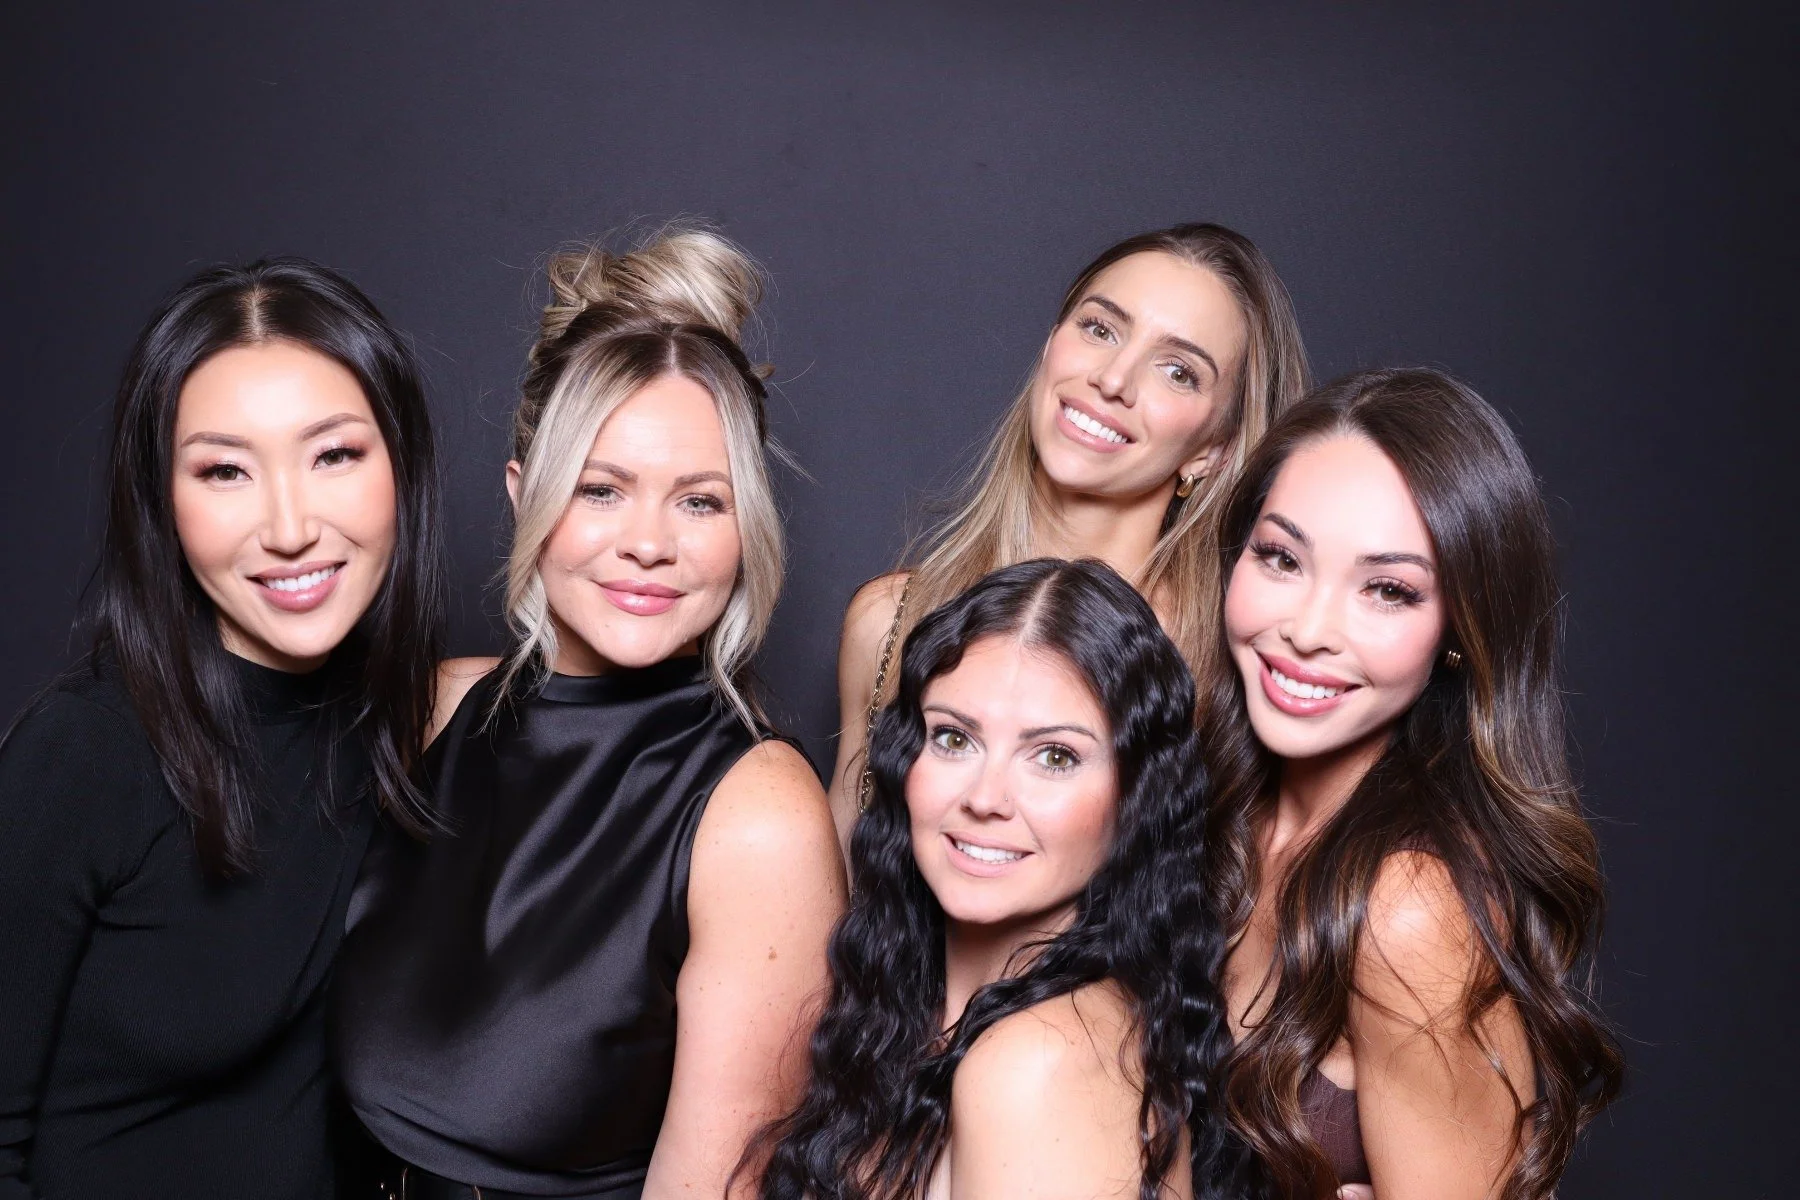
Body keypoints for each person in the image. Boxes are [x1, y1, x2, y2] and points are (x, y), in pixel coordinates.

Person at [333, 226, 845, 1200]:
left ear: (750, 525)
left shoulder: (759, 818)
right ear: (526, 494)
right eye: (602, 490)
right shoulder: (437, 708)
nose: (649, 542)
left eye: (701, 502)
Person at [0, 259, 447, 1199]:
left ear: (401, 465)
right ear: (163, 501)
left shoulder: (405, 725)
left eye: (334, 455)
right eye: (224, 470)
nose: (289, 527)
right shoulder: (84, 756)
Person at [1201, 369, 1624, 1199]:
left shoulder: (1410, 906)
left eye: (1387, 590)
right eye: (1281, 557)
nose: (1308, 631)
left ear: (1460, 631)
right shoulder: (1208, 809)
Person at [755, 558, 1241, 1200]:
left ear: (1135, 800)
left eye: (1055, 756)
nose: (986, 798)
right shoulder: (900, 1013)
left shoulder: (1038, 1062)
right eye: (955, 739)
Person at [830, 223, 1310, 848]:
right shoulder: (888, 623)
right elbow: (834, 904)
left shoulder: (1226, 670)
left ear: (1215, 449)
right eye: (1100, 328)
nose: (1113, 379)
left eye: (1178, 371)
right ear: (1052, 344)